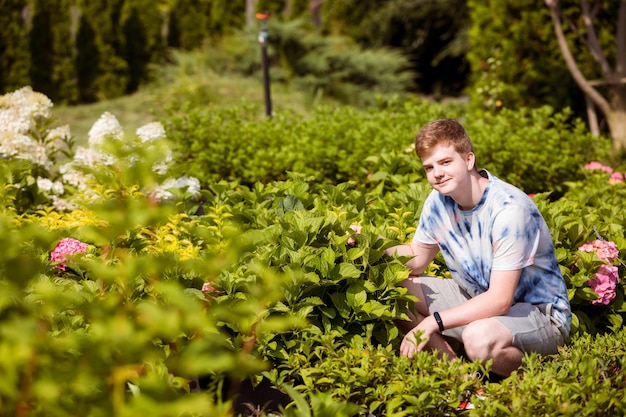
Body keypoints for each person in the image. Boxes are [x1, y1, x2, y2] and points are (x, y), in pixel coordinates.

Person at [350, 118, 571, 377]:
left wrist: (433, 323)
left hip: (539, 316)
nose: (437, 173)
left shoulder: (509, 211)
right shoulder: (439, 201)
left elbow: (500, 300)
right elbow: (416, 258)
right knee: (393, 289)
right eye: (429, 167)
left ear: (468, 160)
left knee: (478, 338)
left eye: (445, 162)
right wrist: (368, 244)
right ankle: (462, 382)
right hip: (478, 299)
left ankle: (543, 380)